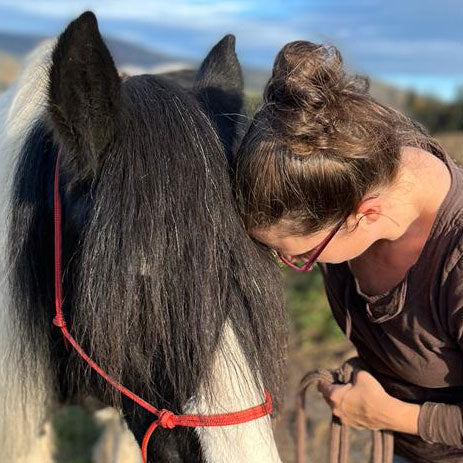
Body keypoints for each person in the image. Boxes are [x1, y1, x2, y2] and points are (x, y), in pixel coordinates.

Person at [233, 40, 463, 462]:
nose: (302, 265)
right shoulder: (359, 169)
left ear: (366, 213)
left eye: (302, 255)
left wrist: (390, 414)